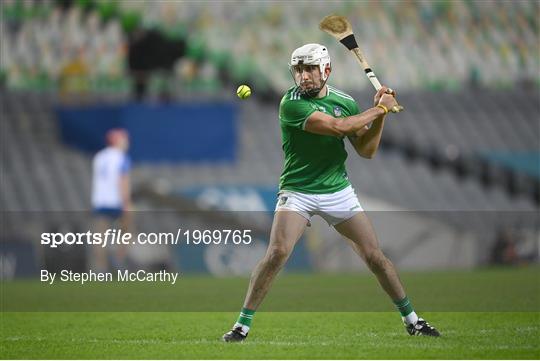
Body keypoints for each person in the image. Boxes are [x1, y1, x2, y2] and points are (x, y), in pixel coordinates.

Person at [223, 43, 440, 342]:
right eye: (298, 69)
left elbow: (366, 151)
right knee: (277, 253)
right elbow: (338, 127)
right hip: (298, 190)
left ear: (326, 70)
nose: (304, 76)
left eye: (310, 68)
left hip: (338, 190)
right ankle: (241, 326)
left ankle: (413, 320)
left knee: (375, 257)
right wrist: (378, 108)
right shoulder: (291, 103)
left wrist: (382, 116)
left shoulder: (346, 101)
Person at [90, 128, 132, 272]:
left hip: (100, 202)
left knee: (100, 236)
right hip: (116, 201)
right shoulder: (121, 157)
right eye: (123, 139)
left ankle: (100, 268)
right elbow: (123, 181)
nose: (126, 142)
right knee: (127, 230)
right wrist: (126, 202)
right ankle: (119, 260)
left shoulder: (99, 156)